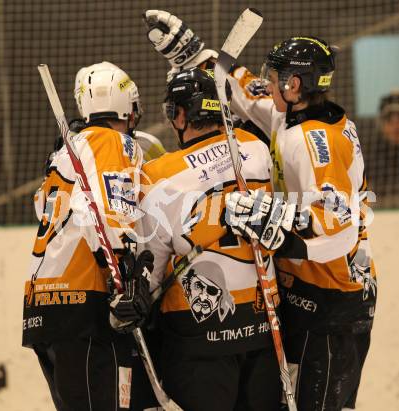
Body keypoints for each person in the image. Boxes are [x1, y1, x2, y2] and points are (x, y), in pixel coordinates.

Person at [143, 14, 377, 410]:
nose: (267, 81)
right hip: (310, 295)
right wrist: (196, 55)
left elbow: (341, 229)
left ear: (294, 84)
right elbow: (244, 92)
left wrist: (284, 230)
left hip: (331, 301)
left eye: (275, 75)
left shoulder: (317, 143)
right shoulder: (294, 116)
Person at [138, 67, 281, 411]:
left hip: (197, 332)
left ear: (180, 114)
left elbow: (151, 266)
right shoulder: (254, 147)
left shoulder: (158, 173)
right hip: (261, 325)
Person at [23, 62, 155, 411]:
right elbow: (110, 208)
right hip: (86, 302)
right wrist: (125, 273)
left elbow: (43, 207)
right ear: (128, 107)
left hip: (46, 306)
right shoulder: (112, 141)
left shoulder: (66, 151)